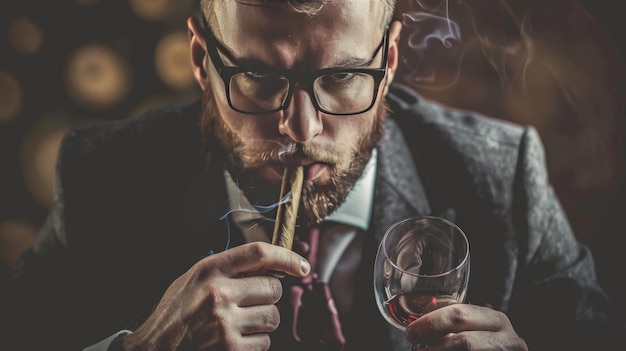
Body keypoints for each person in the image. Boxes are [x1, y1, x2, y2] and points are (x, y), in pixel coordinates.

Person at [2, 0, 624, 350]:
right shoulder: (103, 174)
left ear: (393, 58)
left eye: (343, 76)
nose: (301, 129)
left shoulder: (501, 174)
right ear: (200, 59)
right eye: (262, 78)